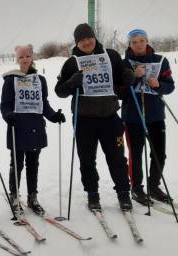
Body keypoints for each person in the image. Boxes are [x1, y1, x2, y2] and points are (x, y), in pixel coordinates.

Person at [54, 23, 135, 211]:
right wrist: (71, 83)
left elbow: (123, 79)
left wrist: (128, 76)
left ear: (94, 37)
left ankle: (124, 194)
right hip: (84, 119)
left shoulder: (111, 55)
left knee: (117, 158)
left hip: (110, 117)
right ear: (77, 42)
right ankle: (93, 194)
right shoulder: (72, 62)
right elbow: (59, 91)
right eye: (81, 40)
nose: (86, 42)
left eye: (89, 37)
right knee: (87, 160)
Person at [1, 45, 65, 215]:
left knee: (33, 164)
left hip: (36, 127)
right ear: (17, 59)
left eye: (27, 56)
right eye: (21, 57)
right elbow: (5, 105)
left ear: (32, 57)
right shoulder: (10, 79)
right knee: (17, 164)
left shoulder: (40, 80)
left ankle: (32, 197)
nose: (24, 60)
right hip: (18, 127)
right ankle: (14, 196)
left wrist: (53, 116)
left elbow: (43, 103)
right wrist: (8, 115)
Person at [121, 29, 174, 205]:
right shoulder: (124, 64)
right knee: (136, 154)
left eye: (141, 40)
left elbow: (170, 86)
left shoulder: (160, 60)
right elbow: (120, 92)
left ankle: (154, 185)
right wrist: (134, 78)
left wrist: (159, 84)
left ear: (147, 41)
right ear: (129, 44)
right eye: (134, 42)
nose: (138, 45)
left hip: (156, 114)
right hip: (133, 117)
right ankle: (136, 188)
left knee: (159, 154)